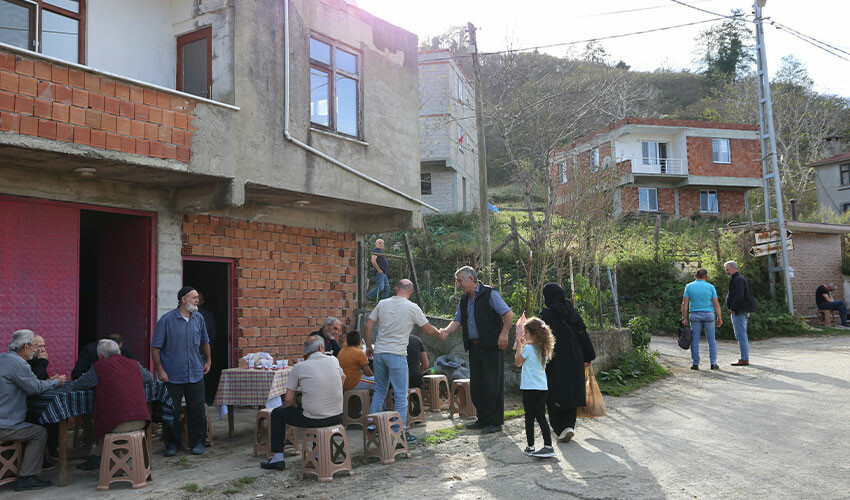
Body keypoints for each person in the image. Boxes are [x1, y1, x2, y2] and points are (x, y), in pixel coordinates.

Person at [364, 279, 442, 442]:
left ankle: (372, 427)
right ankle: (399, 432)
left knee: (380, 390)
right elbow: (428, 329)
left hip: (380, 352)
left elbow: (368, 326)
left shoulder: (382, 303)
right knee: (400, 395)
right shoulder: (412, 307)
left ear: (396, 288)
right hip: (397, 354)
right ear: (411, 292)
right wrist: (441, 334)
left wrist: (369, 347)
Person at [439, 266, 514, 434]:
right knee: (477, 385)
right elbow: (457, 321)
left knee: (492, 384)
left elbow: (508, 314)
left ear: (471, 279)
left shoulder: (490, 294)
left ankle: (495, 422)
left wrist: (504, 333)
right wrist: (445, 331)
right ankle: (483, 419)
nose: (458, 284)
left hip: (491, 346)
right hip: (474, 347)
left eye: (460, 281)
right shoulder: (464, 300)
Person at [260, 337, 345, 471]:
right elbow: (343, 378)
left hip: (314, 419)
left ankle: (277, 458)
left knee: (277, 413)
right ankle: (316, 454)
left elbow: (288, 400)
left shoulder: (299, 367)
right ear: (321, 348)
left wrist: (296, 404)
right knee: (314, 409)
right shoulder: (333, 360)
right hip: (338, 416)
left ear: (305, 351)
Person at [68, 339, 152, 471]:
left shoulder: (99, 367)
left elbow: (78, 384)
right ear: (119, 352)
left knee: (106, 423)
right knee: (111, 421)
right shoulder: (134, 364)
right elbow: (149, 378)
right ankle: (101, 459)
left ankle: (100, 459)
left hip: (117, 423)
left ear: (100, 356)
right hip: (141, 420)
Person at [0, 329, 66, 491]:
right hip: (5, 425)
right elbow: (34, 388)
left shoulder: (3, 358)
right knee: (39, 432)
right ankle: (26, 477)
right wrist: (55, 382)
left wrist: (46, 382)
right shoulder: (19, 363)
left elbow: (31, 383)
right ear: (25, 346)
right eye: (33, 347)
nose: (36, 351)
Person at [152, 286, 211, 457]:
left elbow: (205, 342)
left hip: (195, 372)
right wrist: (160, 370)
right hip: (172, 374)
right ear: (183, 300)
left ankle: (198, 442)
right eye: (194, 298)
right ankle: (172, 444)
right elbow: (155, 348)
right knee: (171, 411)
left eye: (197, 297)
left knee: (197, 410)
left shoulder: (198, 318)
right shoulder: (166, 320)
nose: (197, 300)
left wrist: (208, 361)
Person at [540, 283, 596, 443]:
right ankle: (569, 426)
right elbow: (582, 333)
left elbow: (540, 337)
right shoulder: (571, 312)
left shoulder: (546, 315)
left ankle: (560, 428)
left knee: (554, 392)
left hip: (555, 360)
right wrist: (588, 356)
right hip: (574, 357)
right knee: (572, 391)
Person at [514, 317, 556, 458]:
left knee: (529, 417)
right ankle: (548, 445)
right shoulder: (543, 349)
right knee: (541, 416)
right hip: (542, 388)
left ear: (534, 334)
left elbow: (517, 362)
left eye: (525, 332)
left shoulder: (528, 349)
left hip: (529, 388)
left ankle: (530, 446)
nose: (524, 335)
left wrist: (519, 346)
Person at [682, 268, 723, 370]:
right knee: (711, 339)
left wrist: (684, 317)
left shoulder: (689, 286)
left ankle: (695, 364)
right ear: (706, 277)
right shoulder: (711, 287)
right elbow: (716, 305)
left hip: (695, 315)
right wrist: (719, 318)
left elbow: (684, 304)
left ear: (695, 276)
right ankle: (713, 363)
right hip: (709, 315)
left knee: (695, 340)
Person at [725, 261, 756, 366]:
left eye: (728, 269)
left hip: (739, 311)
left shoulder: (738, 280)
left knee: (741, 335)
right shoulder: (738, 279)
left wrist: (733, 308)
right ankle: (744, 358)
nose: (726, 271)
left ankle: (744, 358)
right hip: (741, 310)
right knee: (741, 334)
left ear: (734, 268)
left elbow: (739, 296)